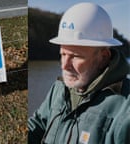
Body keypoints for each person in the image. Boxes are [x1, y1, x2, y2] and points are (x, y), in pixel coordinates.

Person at [28, 2, 130, 144]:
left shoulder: (125, 109)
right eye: (63, 54)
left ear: (103, 57)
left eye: (76, 56)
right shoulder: (59, 88)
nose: (64, 65)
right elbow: (37, 125)